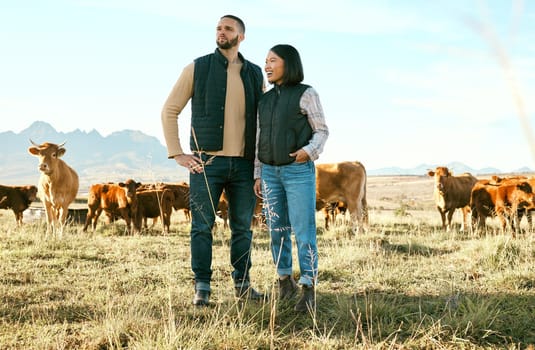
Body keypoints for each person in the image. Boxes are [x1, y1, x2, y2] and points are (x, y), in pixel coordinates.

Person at [161, 15, 265, 307]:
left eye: (228, 28)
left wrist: (261, 165)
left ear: (241, 36)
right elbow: (169, 109)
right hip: (206, 164)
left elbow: (262, 124)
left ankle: (243, 285)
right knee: (201, 226)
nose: (221, 32)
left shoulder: (256, 74)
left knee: (243, 227)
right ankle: (202, 287)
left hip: (244, 165)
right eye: (219, 27)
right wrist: (178, 152)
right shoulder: (197, 67)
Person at [253, 44, 329, 312]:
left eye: (273, 61)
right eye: (265, 61)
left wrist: (307, 153)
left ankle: (309, 288)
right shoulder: (264, 99)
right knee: (277, 231)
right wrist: (258, 173)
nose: (267, 66)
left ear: (289, 64)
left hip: (298, 172)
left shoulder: (306, 93)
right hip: (270, 173)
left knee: (303, 232)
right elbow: (258, 138)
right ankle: (285, 282)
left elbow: (321, 131)